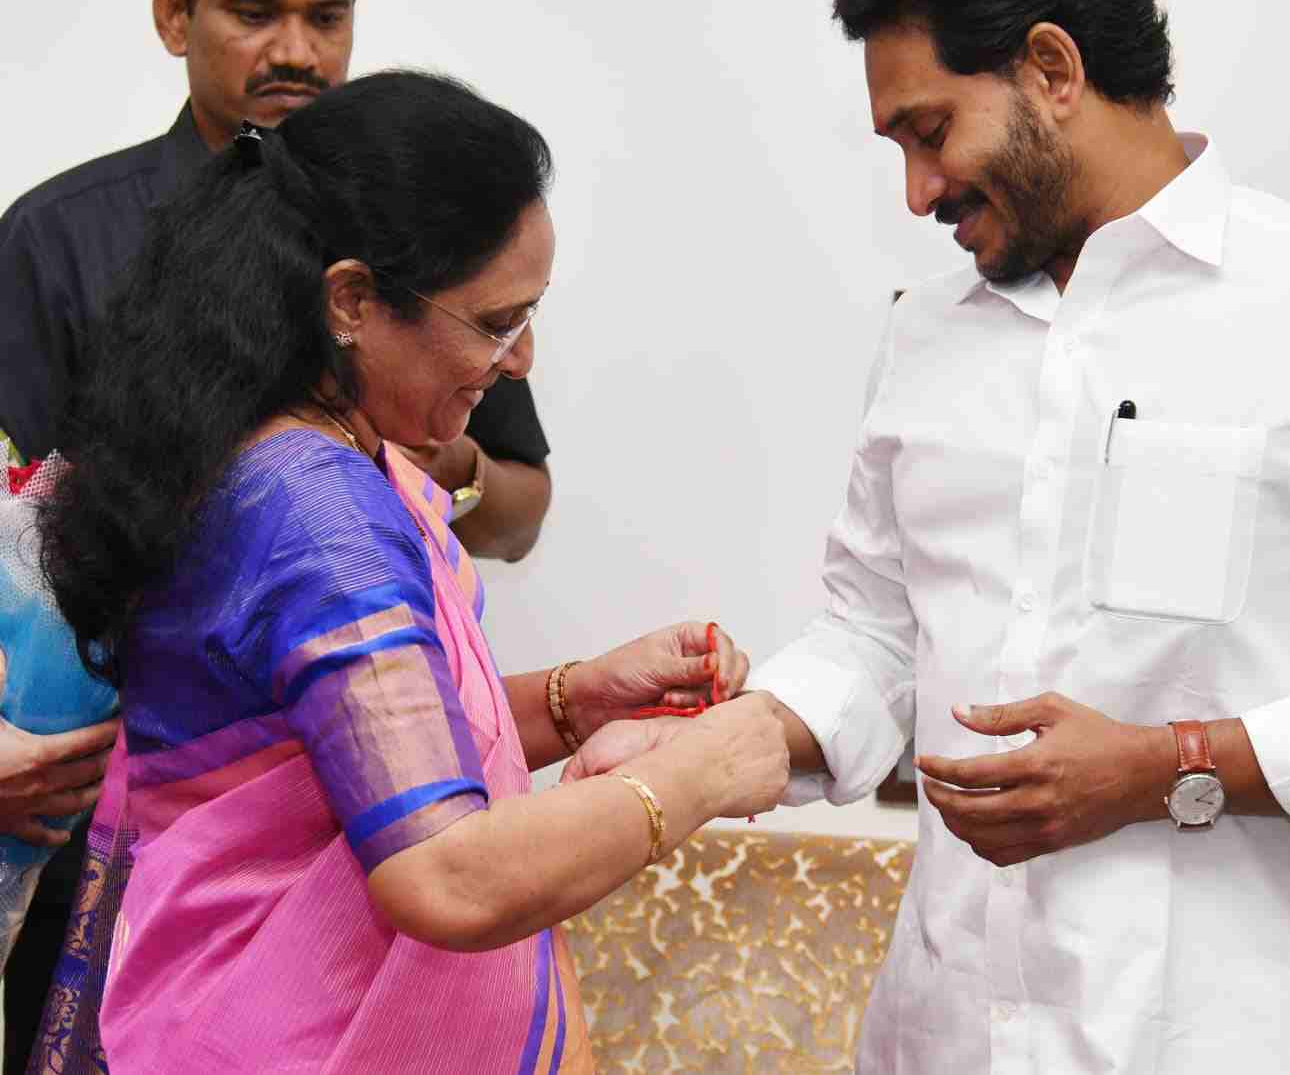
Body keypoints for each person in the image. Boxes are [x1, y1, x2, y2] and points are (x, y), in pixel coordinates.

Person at [569, 0, 1290, 1072]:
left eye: (930, 131)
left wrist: (1171, 768)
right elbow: (877, 639)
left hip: (1211, 1042)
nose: (917, 193)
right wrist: (701, 754)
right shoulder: (927, 336)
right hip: (934, 1034)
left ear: (1052, 68)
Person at [28, 69, 790, 1073]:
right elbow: (446, 876)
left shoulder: (281, 453)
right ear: (350, 298)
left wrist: (572, 699)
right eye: (493, 320)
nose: (519, 359)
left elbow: (346, 742)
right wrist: (706, 768)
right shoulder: (316, 504)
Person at [0, 0, 556, 1066]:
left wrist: (417, 463)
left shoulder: (431, 237)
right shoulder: (61, 239)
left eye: (328, 15)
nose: (295, 49)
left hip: (334, 819)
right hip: (104, 814)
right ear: (173, 17)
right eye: (255, 13)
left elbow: (513, 501)